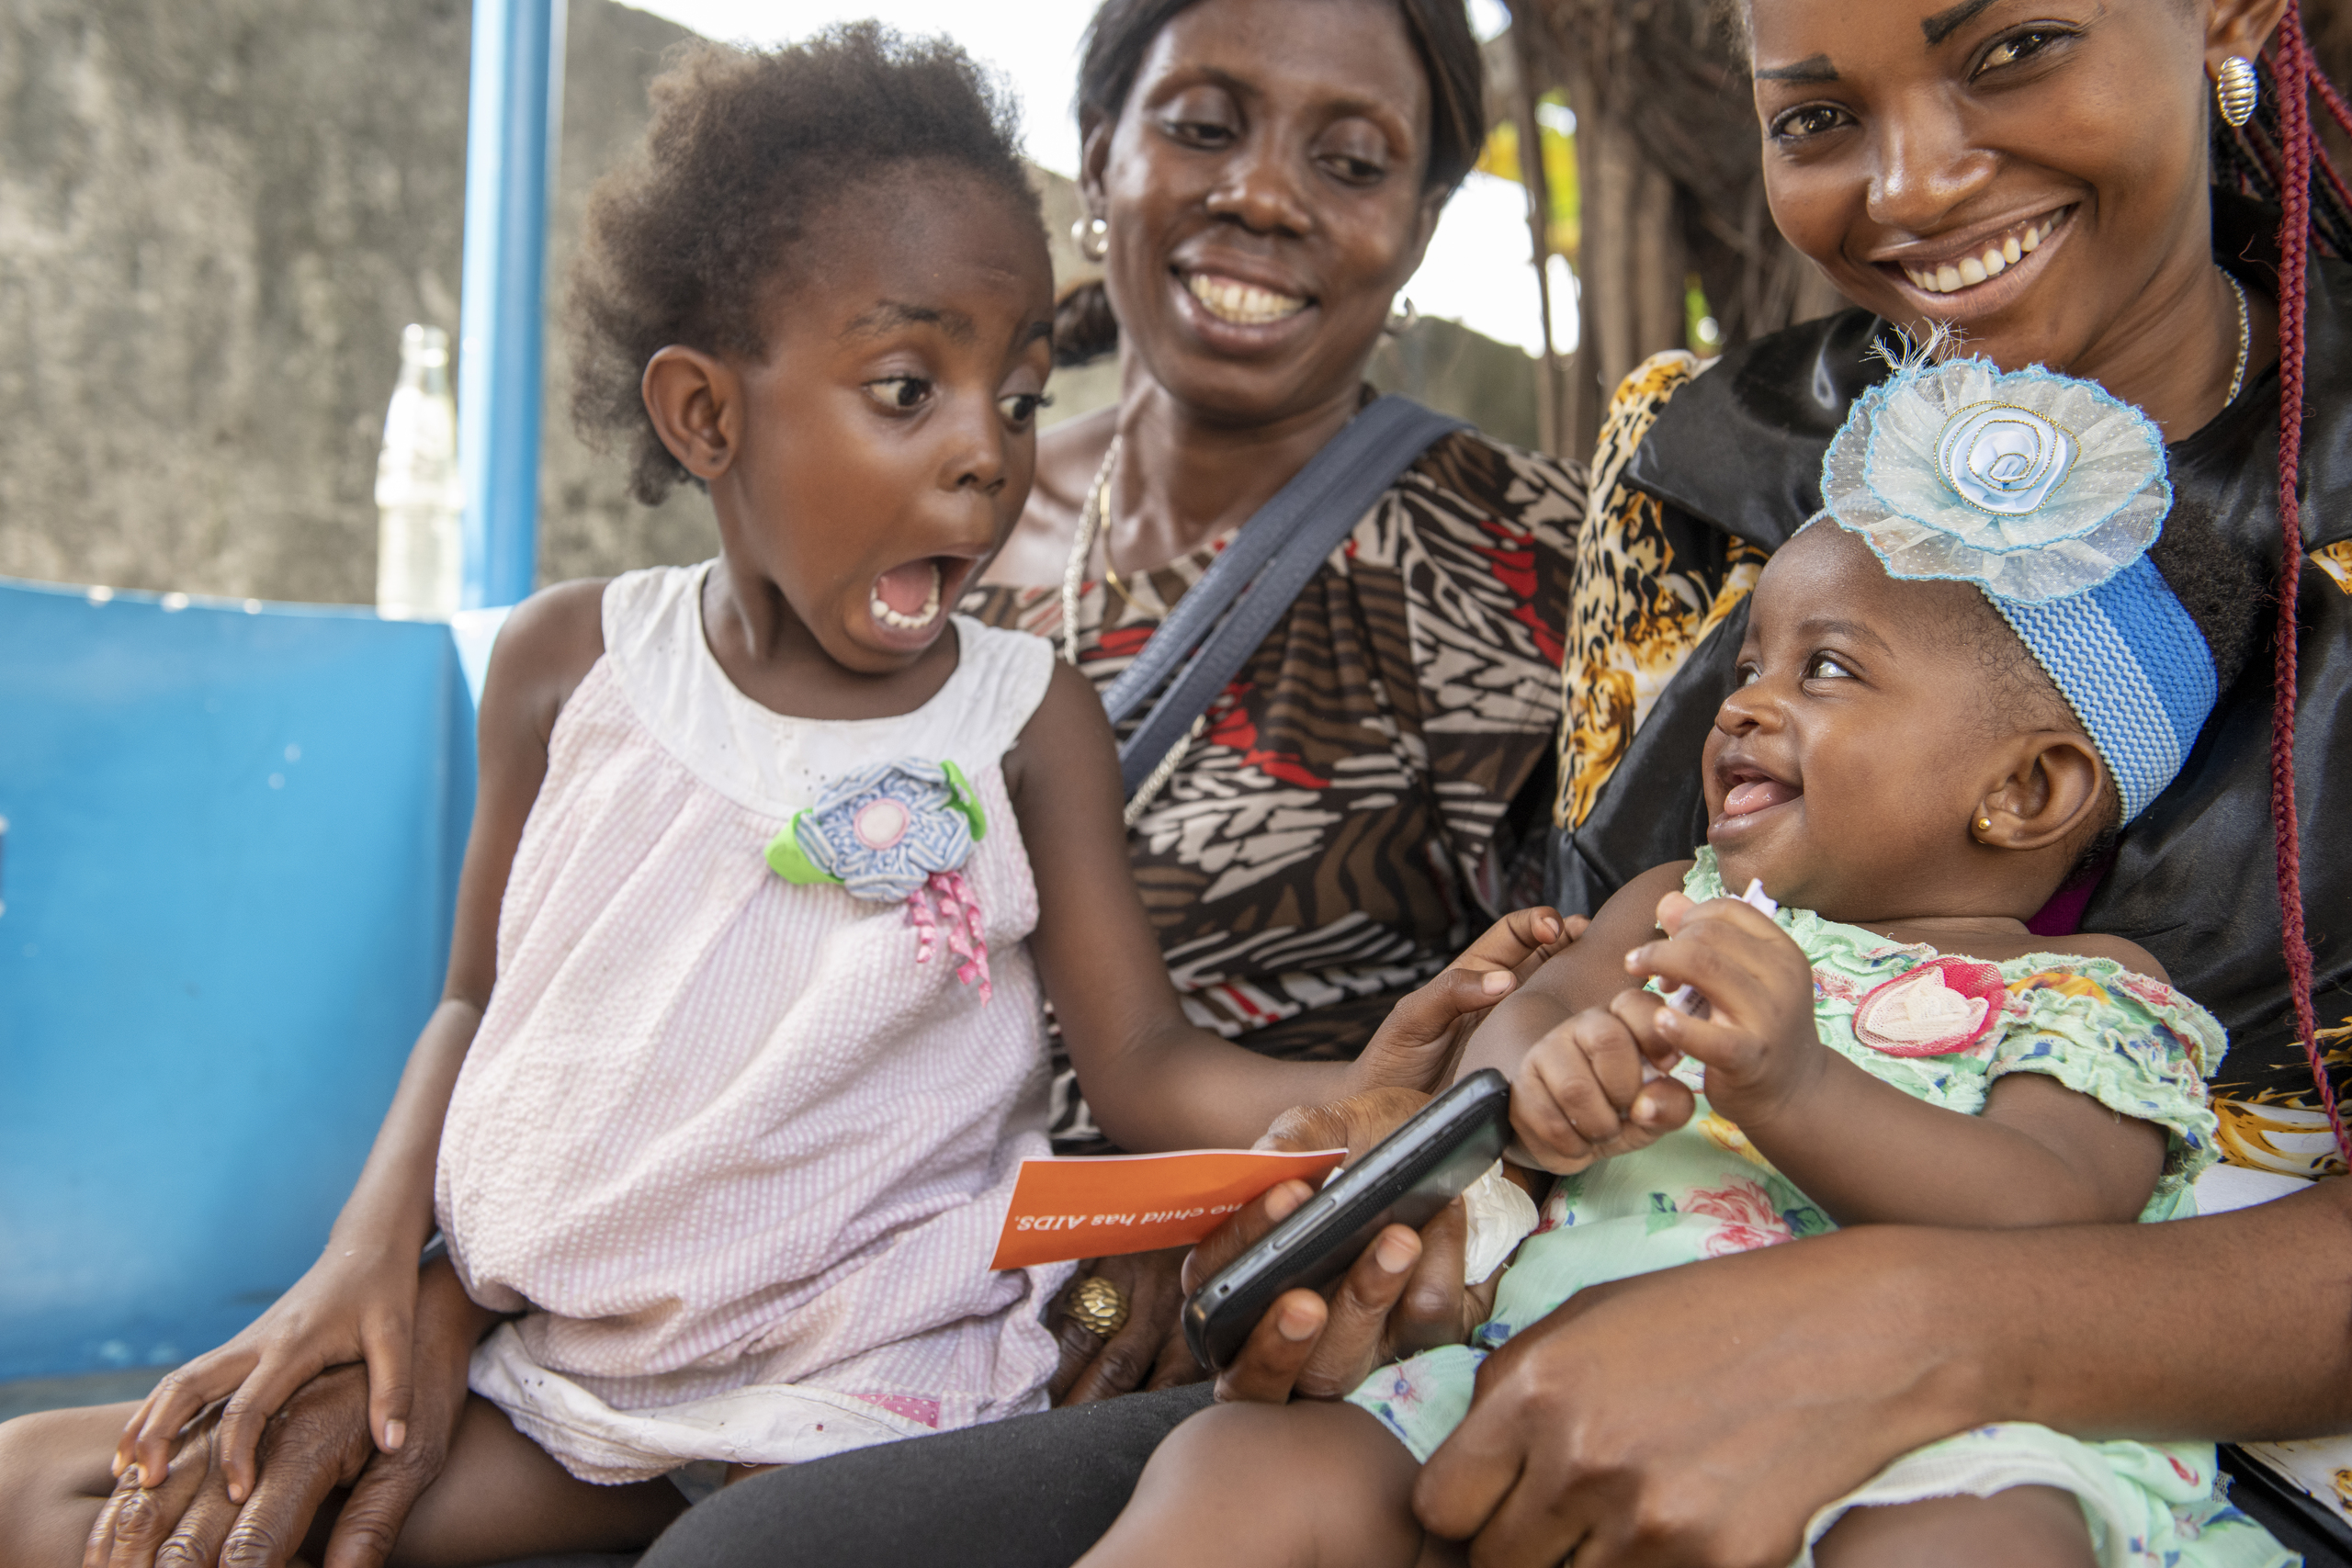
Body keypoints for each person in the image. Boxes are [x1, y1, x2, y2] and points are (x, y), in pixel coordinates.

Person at [633, 0, 2352, 1563]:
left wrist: (1898, 1333)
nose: (1910, 184)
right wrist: (1424, 1185)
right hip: (1563, 1334)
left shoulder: (2090, 996)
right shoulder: (1704, 458)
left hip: (2138, 1426)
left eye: (2012, 48)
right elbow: (1568, 988)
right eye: (1818, 116)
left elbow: (2051, 1192)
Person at [0, 26, 1549, 1566]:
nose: (984, 457)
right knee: (41, 1492)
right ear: (705, 416)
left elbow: (1144, 1061)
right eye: (908, 388)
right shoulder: (565, 669)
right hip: (593, 1356)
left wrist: (1367, 1104)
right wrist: (371, 1259)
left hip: (879, 1363)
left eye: (1015, 400)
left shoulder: (1025, 718)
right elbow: (476, 1004)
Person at [1080, 364, 2290, 1567]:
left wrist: (1800, 1090)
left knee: (1979, 1540)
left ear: (2027, 790)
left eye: (1827, 669)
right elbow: (1534, 1012)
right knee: (1243, 1464)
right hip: (1547, 1386)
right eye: (1748, 666)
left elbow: (2052, 1213)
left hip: (1928, 1438)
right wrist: (1545, 1076)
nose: (1741, 708)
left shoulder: (2089, 989)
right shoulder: (1680, 900)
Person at [971, 0, 1579, 1399]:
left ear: (1418, 229)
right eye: (1203, 127)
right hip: (801, 1281)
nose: (1260, 194)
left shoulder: (1513, 558)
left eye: (1350, 162)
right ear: (1099, 153)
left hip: (1205, 1357)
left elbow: (1570, 1014)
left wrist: (1232, 1218)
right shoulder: (922, 517)